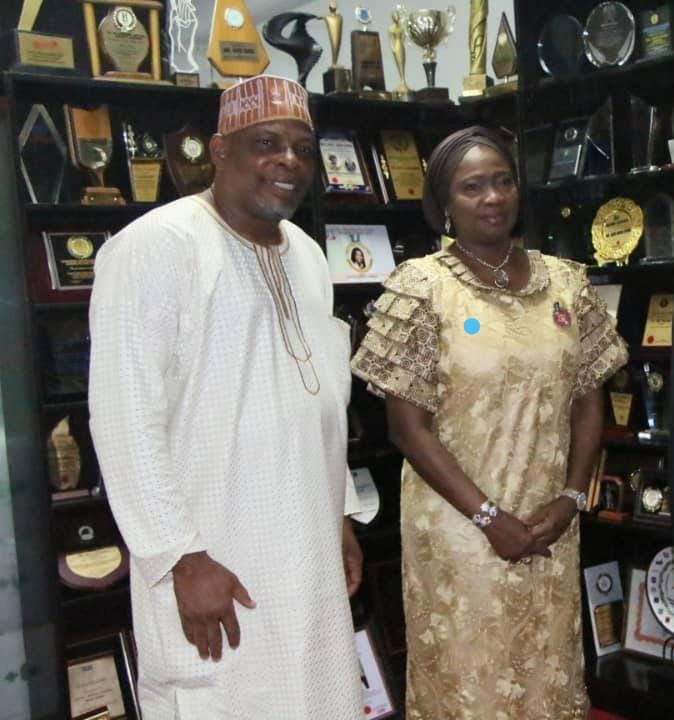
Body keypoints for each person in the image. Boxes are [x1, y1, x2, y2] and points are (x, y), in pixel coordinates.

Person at [89, 75, 364, 720]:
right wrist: (181, 557)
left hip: (306, 545)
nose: (288, 161)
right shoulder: (155, 247)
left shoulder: (307, 254)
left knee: (314, 696)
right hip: (213, 551)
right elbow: (124, 418)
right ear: (219, 151)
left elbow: (324, 400)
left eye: (303, 148)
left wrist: (340, 516)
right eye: (266, 143)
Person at [351, 125, 628, 720]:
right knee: (470, 682)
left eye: (503, 181)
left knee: (546, 675)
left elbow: (589, 400)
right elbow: (407, 428)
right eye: (472, 186)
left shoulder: (567, 282)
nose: (493, 197)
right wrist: (488, 517)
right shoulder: (421, 287)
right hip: (461, 532)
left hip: (549, 523)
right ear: (444, 203)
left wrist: (572, 497)